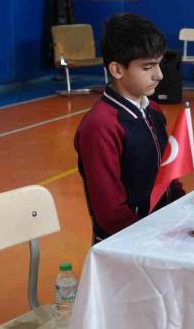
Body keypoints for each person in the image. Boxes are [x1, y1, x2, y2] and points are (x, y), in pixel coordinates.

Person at [74, 14, 185, 244]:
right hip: (127, 244)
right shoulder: (100, 125)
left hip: (163, 231)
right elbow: (110, 214)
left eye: (159, 64)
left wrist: (185, 214)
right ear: (117, 70)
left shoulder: (154, 110)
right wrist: (156, 238)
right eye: (148, 67)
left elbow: (168, 177)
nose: (159, 75)